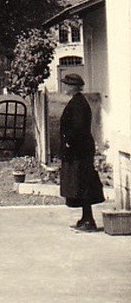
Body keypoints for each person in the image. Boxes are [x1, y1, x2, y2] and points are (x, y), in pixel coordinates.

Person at [58, 73, 105, 231]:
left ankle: (89, 220)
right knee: (81, 184)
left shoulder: (78, 103)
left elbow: (78, 128)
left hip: (79, 151)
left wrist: (69, 142)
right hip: (78, 150)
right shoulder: (76, 101)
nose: (63, 87)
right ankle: (86, 217)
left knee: (83, 184)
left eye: (66, 84)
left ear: (73, 86)